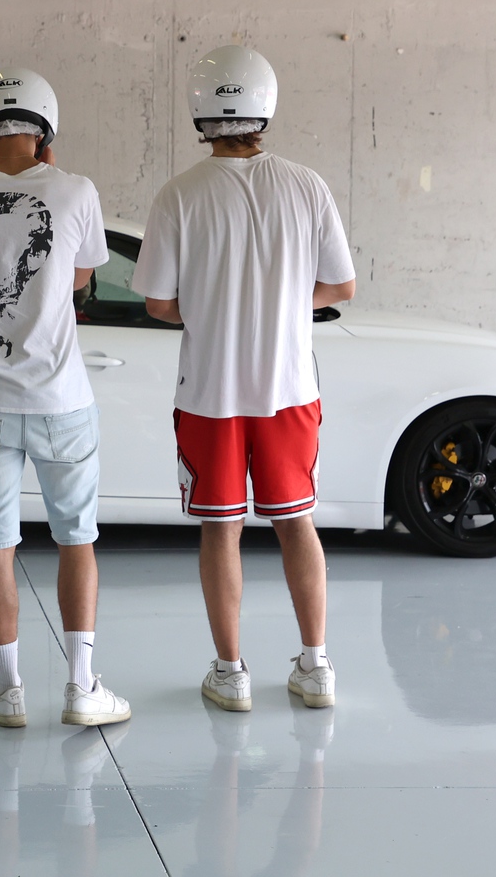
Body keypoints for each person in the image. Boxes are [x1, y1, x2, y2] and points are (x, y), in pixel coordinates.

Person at [132, 45, 357, 713]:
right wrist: (282, 305)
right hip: (290, 391)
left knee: (220, 529)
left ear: (199, 113)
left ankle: (230, 673)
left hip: (211, 395)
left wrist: (213, 308)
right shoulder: (307, 185)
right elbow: (340, 285)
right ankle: (316, 666)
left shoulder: (179, 194)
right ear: (266, 106)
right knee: (297, 523)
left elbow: (158, 303)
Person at [0, 68, 131, 730]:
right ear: (45, 131)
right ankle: (81, 687)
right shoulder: (76, 190)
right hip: (62, 399)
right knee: (78, 540)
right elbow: (78, 277)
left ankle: (7, 689)